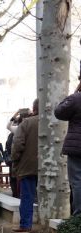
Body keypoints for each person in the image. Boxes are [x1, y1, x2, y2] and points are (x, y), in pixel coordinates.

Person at [11, 99, 39, 233]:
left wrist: (15, 161)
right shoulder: (57, 122)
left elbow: (17, 145)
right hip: (51, 167)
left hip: (28, 166)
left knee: (27, 196)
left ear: (34, 109)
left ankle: (26, 225)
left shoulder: (27, 123)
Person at [54, 82, 81, 216]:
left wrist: (75, 92)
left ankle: (78, 217)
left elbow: (59, 112)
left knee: (77, 181)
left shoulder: (76, 99)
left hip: (77, 148)